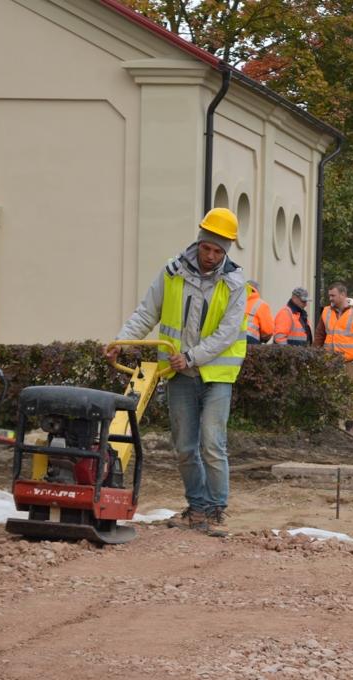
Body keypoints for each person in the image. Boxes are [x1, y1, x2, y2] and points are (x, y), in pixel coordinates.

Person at [106, 207, 246, 536]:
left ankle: (215, 510)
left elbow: (227, 333)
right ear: (198, 242)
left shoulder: (235, 284)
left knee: (212, 443)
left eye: (218, 251)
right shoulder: (172, 273)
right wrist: (121, 342)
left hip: (216, 376)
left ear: (226, 250)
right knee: (185, 446)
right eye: (206, 248)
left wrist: (192, 357)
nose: (210, 256)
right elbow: (147, 312)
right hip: (178, 374)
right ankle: (196, 508)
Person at [314, 282, 353, 433]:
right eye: (329, 295)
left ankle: (350, 425)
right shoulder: (326, 312)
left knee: (349, 393)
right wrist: (315, 354)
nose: (330, 298)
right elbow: (319, 335)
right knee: (329, 390)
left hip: (349, 361)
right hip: (329, 360)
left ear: (343, 295)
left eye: (333, 295)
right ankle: (331, 423)